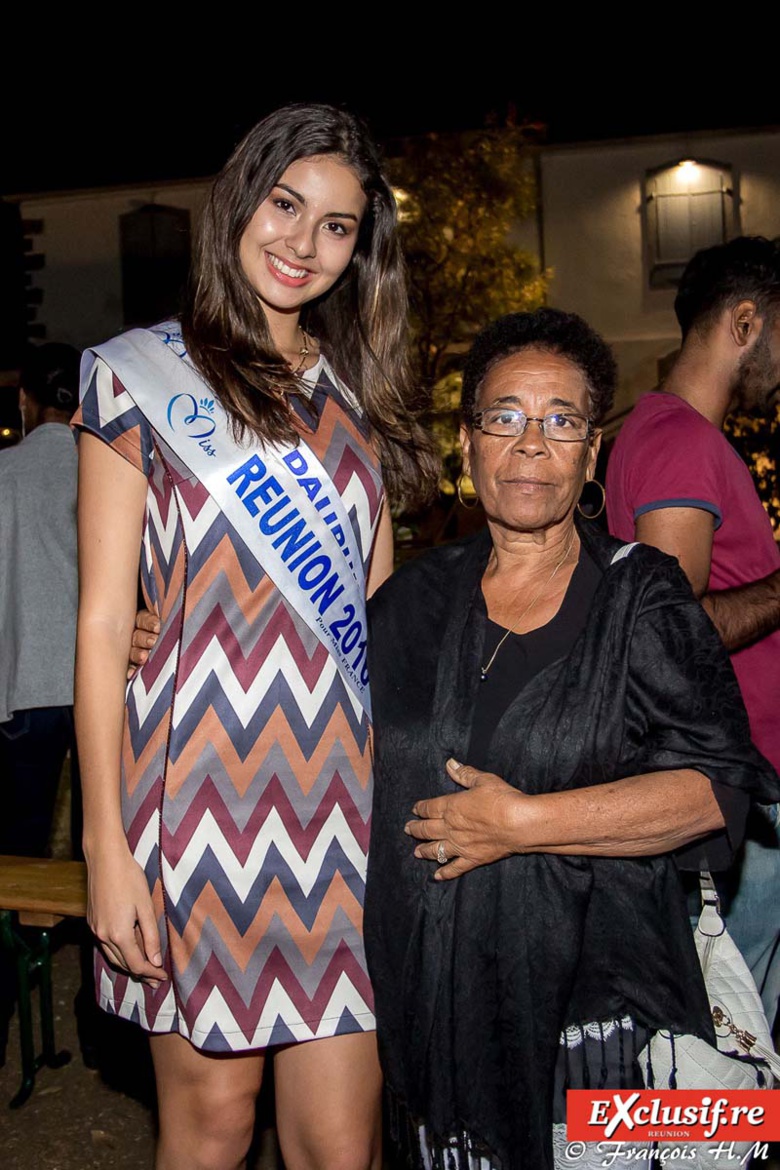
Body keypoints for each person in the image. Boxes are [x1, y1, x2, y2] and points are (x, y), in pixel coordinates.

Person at [74, 103, 438, 1170]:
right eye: (286, 205)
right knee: (215, 1129)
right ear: (241, 199)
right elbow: (102, 625)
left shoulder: (355, 396)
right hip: (194, 809)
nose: (304, 244)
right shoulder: (137, 376)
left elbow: (372, 618)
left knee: (340, 1143)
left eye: (337, 227)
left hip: (345, 810)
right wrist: (106, 847)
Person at [362, 308, 779, 1170]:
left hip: (609, 1018)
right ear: (468, 442)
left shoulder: (643, 597)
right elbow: (310, 706)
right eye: (504, 417)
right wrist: (156, 643)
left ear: (592, 455)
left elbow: (716, 790)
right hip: (436, 1003)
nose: (530, 445)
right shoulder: (409, 604)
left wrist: (521, 825)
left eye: (562, 422)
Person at [606, 236, 780, 1025]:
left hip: (741, 785)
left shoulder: (671, 433)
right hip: (738, 788)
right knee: (723, 1037)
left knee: (735, 1034)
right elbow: (672, 634)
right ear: (745, 322)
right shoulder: (681, 442)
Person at [0, 342, 82, 1064]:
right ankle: (100, 1016)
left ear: (27, 402)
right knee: (100, 848)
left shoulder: (5, 474)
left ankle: (10, 998)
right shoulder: (108, 471)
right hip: (97, 684)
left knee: (16, 845)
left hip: (24, 681)